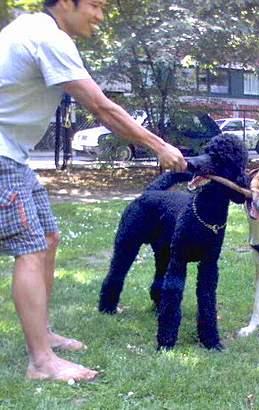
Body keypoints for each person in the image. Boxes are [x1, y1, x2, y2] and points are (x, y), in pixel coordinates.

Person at [0, 0, 187, 382]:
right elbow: (102, 108)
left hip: (13, 155)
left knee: (48, 237)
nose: (100, 17)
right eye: (96, 6)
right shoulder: (47, 37)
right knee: (31, 249)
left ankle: (44, 333)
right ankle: (41, 362)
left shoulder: (33, 29)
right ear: (66, 3)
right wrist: (160, 147)